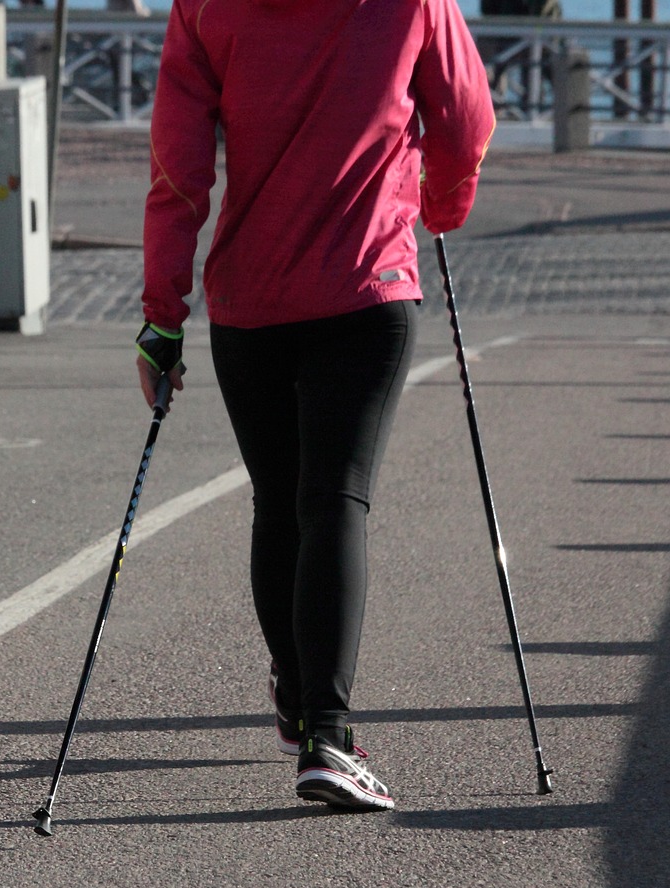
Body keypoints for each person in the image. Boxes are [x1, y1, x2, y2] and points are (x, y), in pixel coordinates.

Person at [135, 0, 494, 810]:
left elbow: (178, 163)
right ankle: (329, 734)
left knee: (279, 501)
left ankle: (300, 705)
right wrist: (441, 205)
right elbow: (467, 121)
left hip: (249, 300)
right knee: (334, 497)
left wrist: (162, 313)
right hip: (368, 288)